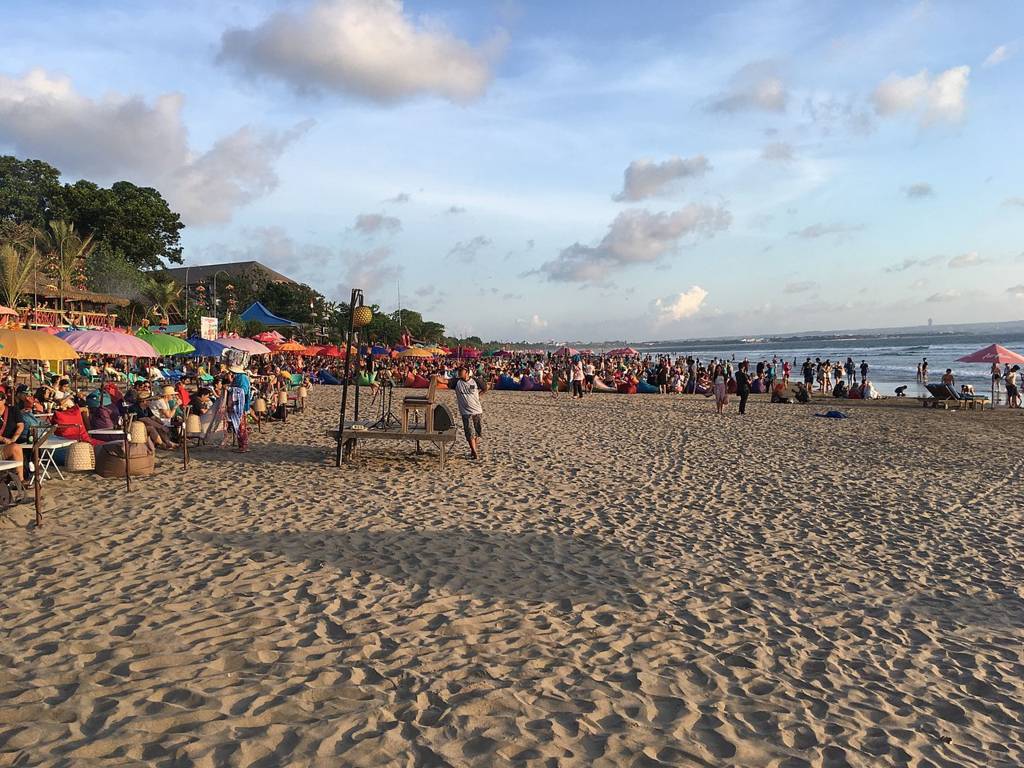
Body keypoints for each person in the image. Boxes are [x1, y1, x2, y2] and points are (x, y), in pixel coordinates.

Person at [453, 365, 483, 460]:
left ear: (466, 372)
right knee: (469, 432)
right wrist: (435, 378)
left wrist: (479, 395)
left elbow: (486, 387)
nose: (459, 372)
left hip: (477, 410)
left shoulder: (475, 381)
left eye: (461, 370)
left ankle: (473, 450)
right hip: (466, 411)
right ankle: (474, 452)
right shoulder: (457, 382)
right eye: (459, 370)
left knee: (477, 432)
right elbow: (445, 381)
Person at [0, 390, 25, 480]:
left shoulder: (13, 410)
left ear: (3, 400)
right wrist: (3, 439)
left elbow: (20, 425)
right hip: (3, 444)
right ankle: (20, 480)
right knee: (16, 448)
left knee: (16, 447)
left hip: (9, 444)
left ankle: (20, 480)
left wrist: (14, 437)